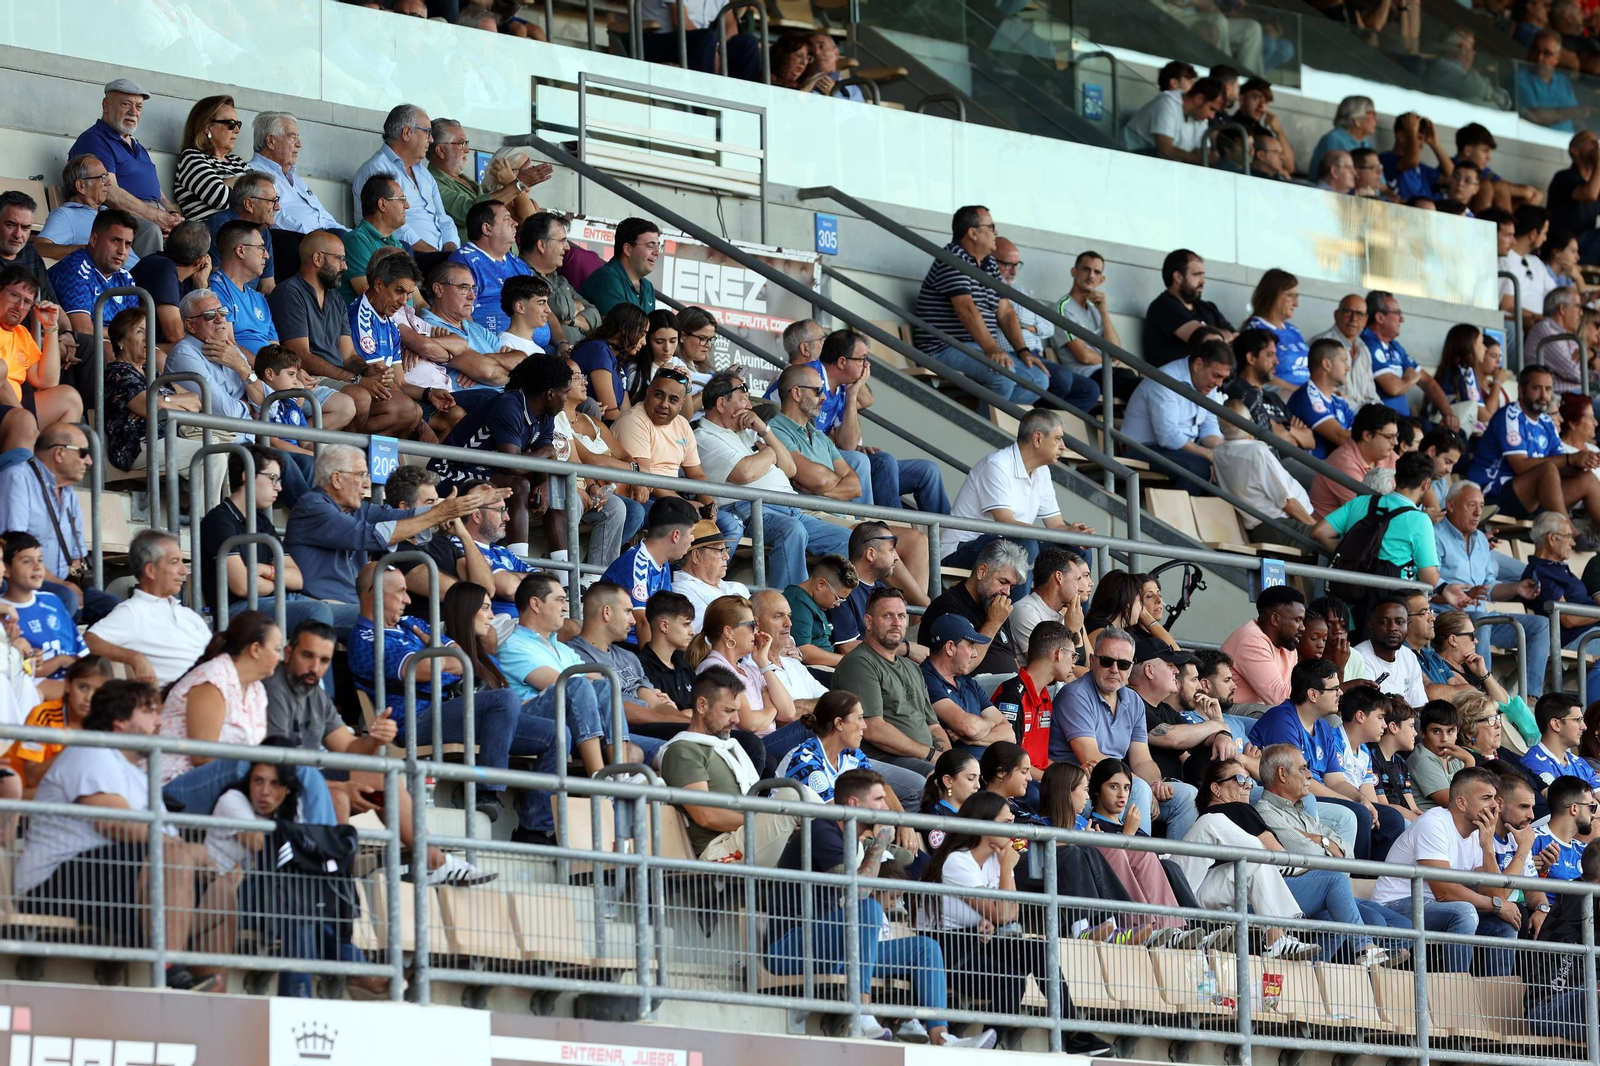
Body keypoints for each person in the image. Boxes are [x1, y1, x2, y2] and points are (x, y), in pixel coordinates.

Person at [764, 768, 994, 1048]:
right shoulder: (822, 828)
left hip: (839, 948)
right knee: (869, 909)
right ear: (854, 804)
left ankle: (941, 1036)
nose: (887, 808)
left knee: (926, 948)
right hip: (789, 947)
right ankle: (861, 1011)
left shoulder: (854, 837)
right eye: (879, 800)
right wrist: (882, 841)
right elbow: (856, 892)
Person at [13, 679, 217, 991]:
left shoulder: (138, 774)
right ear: (120, 721)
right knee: (174, 857)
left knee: (225, 887)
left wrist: (202, 859)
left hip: (112, 878)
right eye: (149, 712)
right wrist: (184, 851)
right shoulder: (91, 751)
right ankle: (170, 975)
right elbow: (116, 823)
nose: (159, 721)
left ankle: (215, 994)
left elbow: (165, 838)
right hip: (53, 885)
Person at [264, 619, 493, 883]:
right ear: (289, 653)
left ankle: (433, 862)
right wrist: (333, 787)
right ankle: (335, 884)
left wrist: (373, 740)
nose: (315, 667)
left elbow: (348, 747)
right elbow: (276, 766)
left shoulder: (314, 693)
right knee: (337, 798)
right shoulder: (272, 689)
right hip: (276, 785)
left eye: (324, 661)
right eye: (308, 656)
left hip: (308, 780)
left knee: (382, 775)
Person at [349, 563, 561, 843]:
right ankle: (486, 790)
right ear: (373, 593)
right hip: (416, 720)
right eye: (400, 592)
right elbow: (432, 668)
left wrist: (438, 657)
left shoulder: (409, 624)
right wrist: (442, 657)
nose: (408, 599)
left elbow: (461, 660)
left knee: (556, 734)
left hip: (450, 711)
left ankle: (533, 830)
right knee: (504, 698)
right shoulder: (366, 639)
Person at [916, 790, 1113, 1055]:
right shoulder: (957, 861)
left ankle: (1074, 1032)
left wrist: (994, 909)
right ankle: (990, 1042)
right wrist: (1007, 871)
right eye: (1006, 823)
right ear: (984, 824)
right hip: (943, 948)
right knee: (1010, 978)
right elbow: (1005, 914)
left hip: (976, 939)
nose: (1013, 829)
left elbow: (1010, 912)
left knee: (1037, 951)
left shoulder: (995, 858)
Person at [695, 368, 849, 589]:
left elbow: (789, 468)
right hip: (749, 509)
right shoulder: (704, 436)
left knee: (846, 540)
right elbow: (744, 473)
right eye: (744, 399)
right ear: (721, 404)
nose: (749, 406)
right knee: (792, 531)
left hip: (790, 508)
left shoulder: (749, 431)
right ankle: (789, 611)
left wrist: (765, 430)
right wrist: (768, 453)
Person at [285, 443, 496, 604]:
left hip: (353, 605)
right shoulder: (313, 506)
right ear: (337, 479)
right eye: (361, 475)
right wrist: (440, 512)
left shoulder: (359, 509)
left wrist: (456, 506)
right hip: (321, 604)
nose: (367, 484)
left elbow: (401, 515)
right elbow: (370, 535)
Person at [1253, 744, 1405, 964]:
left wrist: (1321, 840)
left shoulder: (1301, 811)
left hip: (1320, 888)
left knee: (1391, 923)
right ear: (1282, 774)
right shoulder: (1265, 811)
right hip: (1289, 892)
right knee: (1340, 889)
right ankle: (1364, 951)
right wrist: (1328, 847)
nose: (1309, 775)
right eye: (1303, 769)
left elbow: (1348, 856)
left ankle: (1322, 974)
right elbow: (1308, 854)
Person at [1051, 626, 1200, 841]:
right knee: (1137, 787)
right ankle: (1140, 864)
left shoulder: (1133, 700)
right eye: (1106, 661)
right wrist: (1142, 786)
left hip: (1115, 786)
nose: (1114, 669)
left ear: (1130, 669)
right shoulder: (1075, 695)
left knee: (1187, 795)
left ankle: (1174, 867)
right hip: (1079, 789)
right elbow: (1093, 760)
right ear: (1092, 661)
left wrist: (1154, 785)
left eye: (1122, 664)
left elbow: (1142, 760)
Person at [1370, 766, 1522, 974]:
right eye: (1487, 798)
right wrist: (1496, 905)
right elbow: (1444, 892)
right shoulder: (1434, 824)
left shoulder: (1480, 834)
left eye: (1495, 798)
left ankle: (1495, 996)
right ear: (1461, 802)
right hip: (1395, 906)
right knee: (1465, 912)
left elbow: (1496, 894)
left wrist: (1487, 847)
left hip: (1435, 908)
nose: (1495, 805)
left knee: (1505, 922)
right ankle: (1454, 992)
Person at [790, 327, 953, 515]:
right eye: (862, 359)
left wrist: (852, 394)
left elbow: (848, 443)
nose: (867, 366)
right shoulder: (810, 378)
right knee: (873, 461)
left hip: (834, 456)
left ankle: (950, 539)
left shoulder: (843, 387)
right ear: (842, 362)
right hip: (810, 460)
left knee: (926, 470)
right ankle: (879, 529)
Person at [497, 573, 633, 780]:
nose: (566, 607)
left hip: (571, 717)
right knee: (577, 685)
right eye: (560, 600)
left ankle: (621, 776)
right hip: (526, 719)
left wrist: (589, 682)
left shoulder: (563, 648)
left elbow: (598, 680)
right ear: (535, 604)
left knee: (605, 687)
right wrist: (585, 681)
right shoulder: (513, 644)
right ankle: (600, 778)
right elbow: (562, 685)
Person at [912, 205, 1049, 406]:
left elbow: (1005, 312)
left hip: (977, 346)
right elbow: (965, 308)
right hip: (943, 346)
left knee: (1038, 380)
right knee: (1002, 375)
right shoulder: (953, 258)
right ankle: (986, 433)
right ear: (973, 233)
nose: (996, 232)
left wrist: (1023, 351)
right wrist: (992, 348)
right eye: (991, 226)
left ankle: (980, 415)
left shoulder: (989, 263)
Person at [941, 408, 1092, 572]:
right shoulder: (997, 465)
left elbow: (1056, 525)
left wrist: (1072, 534)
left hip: (1009, 547)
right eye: (1058, 439)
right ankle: (1019, 600)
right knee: (1024, 547)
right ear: (1037, 439)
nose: (1063, 446)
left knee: (1077, 554)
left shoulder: (1042, 471)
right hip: (960, 550)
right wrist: (1058, 536)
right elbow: (1006, 524)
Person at [613, 367, 742, 549]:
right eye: (659, 395)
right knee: (685, 520)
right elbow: (645, 478)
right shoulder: (634, 419)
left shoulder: (682, 424)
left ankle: (696, 576)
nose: (664, 404)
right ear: (648, 391)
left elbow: (697, 474)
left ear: (681, 404)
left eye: (673, 400)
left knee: (730, 526)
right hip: (642, 498)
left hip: (670, 498)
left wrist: (709, 505)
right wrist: (685, 505)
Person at [657, 666, 777, 860]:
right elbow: (706, 815)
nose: (736, 719)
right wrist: (764, 820)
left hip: (745, 839)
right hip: (719, 850)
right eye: (728, 711)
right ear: (702, 705)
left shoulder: (729, 747)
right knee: (791, 798)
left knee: (798, 798)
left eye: (737, 711)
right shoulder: (683, 750)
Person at [833, 587, 948, 781]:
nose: (896, 623)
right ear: (868, 622)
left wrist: (948, 759)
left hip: (923, 758)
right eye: (887, 616)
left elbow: (933, 726)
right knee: (937, 779)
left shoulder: (912, 668)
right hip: (883, 760)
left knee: (968, 775)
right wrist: (930, 755)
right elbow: (872, 728)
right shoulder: (859, 663)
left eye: (902, 616)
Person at [1468, 364, 1600, 522]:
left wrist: (1582, 462)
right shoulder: (1510, 415)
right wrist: (1570, 459)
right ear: (1521, 390)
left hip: (1533, 496)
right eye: (1537, 388)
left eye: (1548, 389)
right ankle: (1569, 534)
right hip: (1493, 495)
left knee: (1587, 478)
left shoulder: (1546, 421)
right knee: (1547, 469)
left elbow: (1562, 466)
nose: (1544, 395)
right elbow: (1521, 466)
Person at [67, 79, 182, 255]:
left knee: (191, 234)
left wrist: (172, 215)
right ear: (106, 105)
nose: (133, 112)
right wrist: (156, 217)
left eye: (139, 107)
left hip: (153, 213)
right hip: (120, 214)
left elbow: (158, 193)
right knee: (150, 230)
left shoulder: (137, 146)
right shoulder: (95, 139)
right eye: (126, 104)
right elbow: (111, 193)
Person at [83, 531, 212, 686]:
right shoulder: (133, 612)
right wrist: (135, 658)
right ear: (150, 570)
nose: (184, 571)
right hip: (181, 700)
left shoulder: (188, 615)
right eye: (174, 562)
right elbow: (88, 641)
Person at [0, 424, 101, 618]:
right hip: (24, 583)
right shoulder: (17, 479)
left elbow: (75, 557)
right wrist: (62, 584)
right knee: (66, 598)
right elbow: (15, 550)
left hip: (62, 583)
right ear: (60, 453)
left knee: (113, 607)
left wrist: (76, 585)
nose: (89, 461)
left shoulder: (69, 492)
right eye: (83, 453)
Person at [550, 357, 643, 565]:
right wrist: (635, 469)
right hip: (570, 487)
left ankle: (595, 576)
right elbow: (592, 460)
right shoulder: (556, 416)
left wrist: (633, 472)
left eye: (584, 376)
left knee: (632, 510)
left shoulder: (589, 420)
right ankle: (572, 575)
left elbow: (625, 455)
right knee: (630, 509)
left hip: (602, 487)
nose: (584, 382)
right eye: (577, 377)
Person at [1314, 456, 1442, 588]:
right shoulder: (1420, 519)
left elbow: (1319, 532)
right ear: (1426, 483)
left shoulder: (1360, 501)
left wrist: (1349, 555)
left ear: (1396, 479)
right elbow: (1429, 579)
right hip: (1391, 601)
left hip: (1348, 596)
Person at [1121, 338, 1232, 484]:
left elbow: (1209, 429)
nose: (1219, 383)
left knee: (1228, 467)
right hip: (1140, 448)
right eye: (1217, 375)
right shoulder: (1166, 379)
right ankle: (1174, 506)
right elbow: (1169, 437)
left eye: (1223, 378)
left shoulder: (1208, 384)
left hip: (1177, 449)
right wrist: (1208, 455)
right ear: (1198, 364)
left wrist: (1227, 453)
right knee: (1198, 467)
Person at [351, 104, 458, 253]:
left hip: (437, 259)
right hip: (401, 256)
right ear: (407, 133)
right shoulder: (377, 169)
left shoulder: (424, 174)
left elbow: (443, 218)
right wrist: (436, 257)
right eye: (427, 132)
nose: (432, 140)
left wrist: (451, 252)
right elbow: (390, 227)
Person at [919, 539, 1028, 677]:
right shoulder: (948, 606)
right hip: (968, 692)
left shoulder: (995, 605)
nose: (1007, 592)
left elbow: (1013, 662)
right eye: (1002, 582)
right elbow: (963, 666)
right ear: (982, 571)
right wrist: (993, 623)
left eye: (1011, 586)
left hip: (1005, 692)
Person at [1212, 401, 1315, 542]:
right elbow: (1287, 502)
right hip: (1281, 527)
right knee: (1338, 541)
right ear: (1250, 421)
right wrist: (1315, 528)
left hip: (1263, 529)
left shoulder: (1218, 452)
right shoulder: (1257, 452)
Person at [600, 495, 698, 642]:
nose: (693, 539)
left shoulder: (662, 562)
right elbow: (642, 623)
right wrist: (655, 663)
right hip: (624, 646)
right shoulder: (636, 563)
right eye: (691, 533)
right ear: (676, 535)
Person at [0, 266, 79, 447]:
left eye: (27, 302)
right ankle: (32, 445)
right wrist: (23, 416)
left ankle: (55, 467)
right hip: (10, 411)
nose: (19, 306)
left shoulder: (21, 333)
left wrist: (50, 327)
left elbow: (47, 381)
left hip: (13, 410)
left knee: (69, 398)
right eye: (14, 296)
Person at [0, 533, 86, 696]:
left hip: (75, 684)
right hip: (36, 691)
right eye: (26, 561)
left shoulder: (53, 601)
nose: (37, 566)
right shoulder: (4, 613)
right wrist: (58, 661)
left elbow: (81, 652)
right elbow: (20, 670)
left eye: (40, 560)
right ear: (7, 569)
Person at [921, 615, 1016, 757]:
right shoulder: (926, 678)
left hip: (989, 766)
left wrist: (971, 740)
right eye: (971, 646)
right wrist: (989, 724)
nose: (975, 654)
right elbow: (969, 727)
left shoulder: (968, 682)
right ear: (950, 648)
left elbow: (1009, 734)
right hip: (961, 769)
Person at [990, 620, 1077, 772]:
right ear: (1059, 653)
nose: (1074, 665)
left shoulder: (1045, 697)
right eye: (1073, 656)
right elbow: (1010, 761)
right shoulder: (1011, 695)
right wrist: (1053, 781)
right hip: (1018, 782)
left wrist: (1072, 776)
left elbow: (1040, 761)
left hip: (1037, 780)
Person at [1052, 250, 1136, 401]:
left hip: (1110, 372)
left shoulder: (1095, 309)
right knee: (1145, 389)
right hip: (1087, 376)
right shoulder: (1063, 307)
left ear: (1101, 279)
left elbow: (1116, 350)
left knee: (1136, 381)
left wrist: (1103, 311)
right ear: (1074, 272)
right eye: (1086, 269)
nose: (1091, 276)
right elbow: (1083, 356)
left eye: (1096, 272)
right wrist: (1108, 359)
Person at [246, 112, 343, 237]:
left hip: (327, 239)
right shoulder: (253, 173)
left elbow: (324, 215)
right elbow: (275, 218)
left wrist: (349, 235)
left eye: (298, 137)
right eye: (292, 137)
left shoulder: (296, 179)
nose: (299, 144)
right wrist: (317, 238)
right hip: (304, 243)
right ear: (271, 141)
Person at [34, 154, 141, 267]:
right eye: (103, 177)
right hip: (124, 279)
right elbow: (40, 247)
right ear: (81, 186)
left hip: (140, 273)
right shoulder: (67, 215)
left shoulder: (107, 212)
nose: (108, 183)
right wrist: (85, 250)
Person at [47, 208, 138, 336]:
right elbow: (83, 330)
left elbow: (137, 329)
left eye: (128, 244)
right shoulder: (75, 269)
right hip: (79, 346)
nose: (122, 251)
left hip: (115, 342)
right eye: (115, 240)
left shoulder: (125, 277)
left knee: (159, 355)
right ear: (94, 240)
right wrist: (122, 335)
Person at [1141, 249, 1235, 368]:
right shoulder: (1163, 306)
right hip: (1175, 382)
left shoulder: (1208, 307)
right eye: (1196, 275)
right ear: (1178, 277)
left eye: (1203, 274)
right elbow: (1205, 339)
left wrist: (1220, 337)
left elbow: (1236, 337)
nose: (1203, 281)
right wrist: (1224, 336)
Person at [1218, 585, 1305, 712]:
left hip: (1263, 708)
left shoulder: (1288, 645)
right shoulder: (1251, 640)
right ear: (1275, 619)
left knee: (1330, 720)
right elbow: (1279, 698)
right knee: (1278, 718)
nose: (1302, 627)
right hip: (1228, 710)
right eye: (1298, 620)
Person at [1308, 402, 1397, 519]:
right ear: (1367, 435)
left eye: (1396, 436)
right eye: (1389, 437)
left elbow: (1415, 482)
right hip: (1332, 534)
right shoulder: (1343, 464)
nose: (1395, 442)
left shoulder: (1386, 453)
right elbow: (1368, 513)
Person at [517, 212, 595, 345]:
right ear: (541, 245)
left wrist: (571, 321)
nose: (567, 247)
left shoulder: (560, 279)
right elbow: (560, 309)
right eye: (562, 241)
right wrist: (575, 307)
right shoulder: (521, 275)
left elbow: (595, 314)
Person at [172, 95, 248, 222]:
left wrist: (230, 182)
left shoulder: (238, 161)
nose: (237, 130)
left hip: (247, 232)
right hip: (212, 234)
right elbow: (220, 198)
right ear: (207, 127)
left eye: (238, 124)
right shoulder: (191, 158)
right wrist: (244, 182)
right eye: (231, 124)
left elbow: (265, 196)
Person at [1008, 547, 1090, 659]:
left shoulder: (1069, 615)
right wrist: (1072, 631)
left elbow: (1088, 665)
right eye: (1077, 579)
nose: (1079, 587)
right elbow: (1052, 666)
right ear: (1059, 577)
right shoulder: (1026, 612)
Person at [1121, 77, 1226, 164]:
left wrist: (1208, 156)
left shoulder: (1200, 118)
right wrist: (1203, 159)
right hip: (1130, 156)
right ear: (1199, 99)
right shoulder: (1167, 104)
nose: (1212, 116)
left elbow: (1203, 152)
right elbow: (1165, 150)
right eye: (1212, 109)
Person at [1084, 570, 1180, 665]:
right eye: (1140, 601)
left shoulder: (1110, 629)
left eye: (1160, 594)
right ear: (1127, 604)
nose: (1141, 608)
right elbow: (1096, 670)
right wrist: (1147, 618)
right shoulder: (1100, 629)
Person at [781, 555, 853, 668]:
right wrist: (849, 661)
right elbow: (803, 650)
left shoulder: (816, 602)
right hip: (811, 669)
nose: (838, 604)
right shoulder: (797, 601)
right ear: (821, 584)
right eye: (838, 598)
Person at [1522, 691, 1600, 792]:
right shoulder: (1532, 764)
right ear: (1556, 724)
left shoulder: (1581, 763)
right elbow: (1563, 805)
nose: (1584, 727)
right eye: (1577, 720)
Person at [580, 217, 660, 315]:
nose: (657, 252)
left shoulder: (647, 286)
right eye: (650, 246)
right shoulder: (607, 278)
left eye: (658, 246)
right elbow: (623, 329)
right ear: (628, 249)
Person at [1409, 700, 1474, 812]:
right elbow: (1455, 804)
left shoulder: (1454, 755)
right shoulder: (1422, 760)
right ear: (1423, 733)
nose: (1444, 739)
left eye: (1450, 731)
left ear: (1457, 732)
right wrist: (1470, 761)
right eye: (1436, 731)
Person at [1519, 30, 1586, 133]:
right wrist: (1574, 112)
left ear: (1557, 59)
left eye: (1547, 54)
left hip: (1567, 143)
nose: (1539, 57)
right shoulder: (1519, 77)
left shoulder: (1563, 81)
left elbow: (1576, 120)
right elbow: (1533, 116)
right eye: (1535, 50)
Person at [1533, 775, 1593, 881]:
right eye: (1591, 807)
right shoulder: (1532, 839)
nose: (1593, 815)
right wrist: (1541, 873)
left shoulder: (1585, 850)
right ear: (1574, 808)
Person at [1309, 95, 1377, 178]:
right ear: (1357, 120)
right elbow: (1338, 180)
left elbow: (1380, 181)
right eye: (1371, 113)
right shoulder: (1333, 139)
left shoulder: (1366, 144)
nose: (1376, 119)